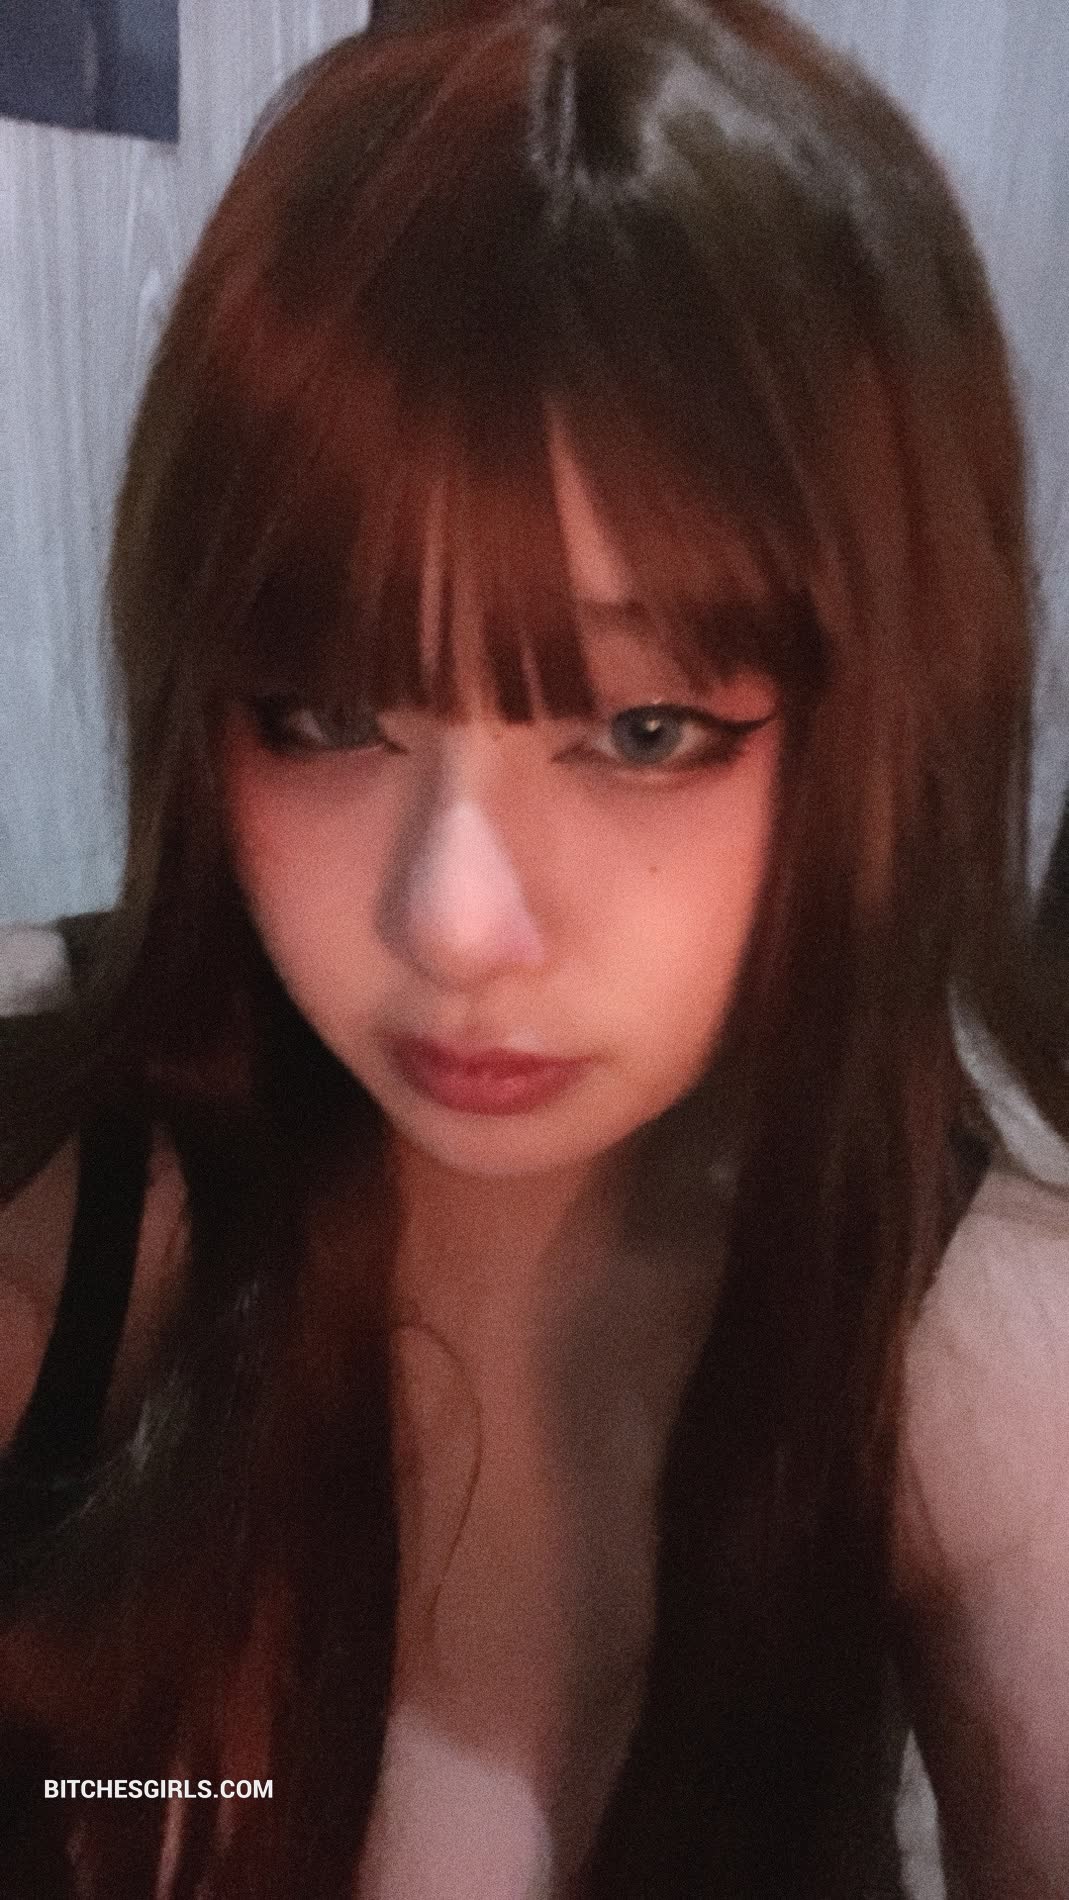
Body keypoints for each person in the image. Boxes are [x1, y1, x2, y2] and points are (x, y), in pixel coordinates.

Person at [1, 0, 1067, 1893]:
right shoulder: (59, 1199)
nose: (450, 921)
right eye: (326, 716)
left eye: (643, 730)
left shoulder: (972, 1350)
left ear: (884, 721)